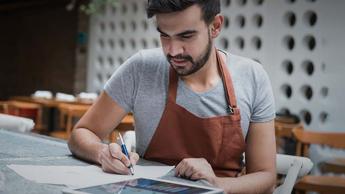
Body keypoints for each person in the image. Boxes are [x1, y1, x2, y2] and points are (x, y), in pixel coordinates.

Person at [68, 0, 276, 193]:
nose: (174, 51)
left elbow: (266, 178)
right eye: (165, 35)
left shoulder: (252, 77)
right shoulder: (141, 69)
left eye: (186, 36)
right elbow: (82, 133)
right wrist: (102, 153)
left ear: (215, 26)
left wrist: (216, 185)